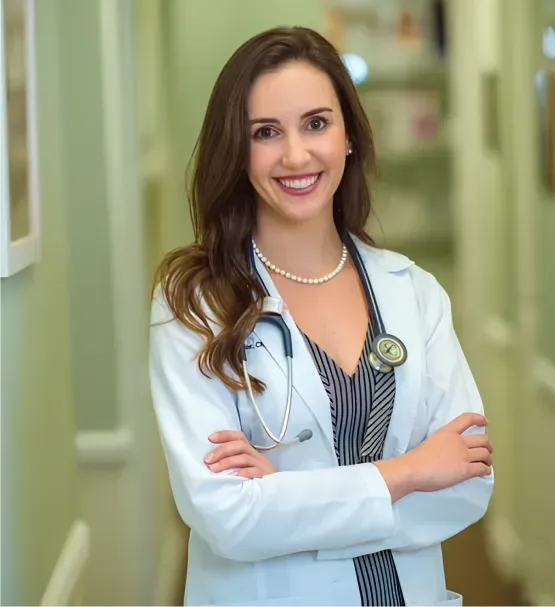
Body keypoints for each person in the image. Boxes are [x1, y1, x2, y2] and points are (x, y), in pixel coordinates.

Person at [149, 26, 494, 607]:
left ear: (350, 135)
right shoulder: (194, 302)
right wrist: (407, 472)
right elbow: (227, 516)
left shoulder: (415, 293)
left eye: (316, 123)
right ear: (237, 150)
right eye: (265, 133)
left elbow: (466, 485)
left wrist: (287, 495)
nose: (296, 155)